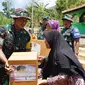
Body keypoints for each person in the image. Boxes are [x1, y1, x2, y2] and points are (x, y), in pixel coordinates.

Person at [0, 8, 31, 85]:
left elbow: (27, 52)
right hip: (3, 67)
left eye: (25, 20)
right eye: (21, 19)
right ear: (15, 19)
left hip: (18, 70)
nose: (24, 22)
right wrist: (6, 62)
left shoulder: (27, 35)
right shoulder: (4, 30)